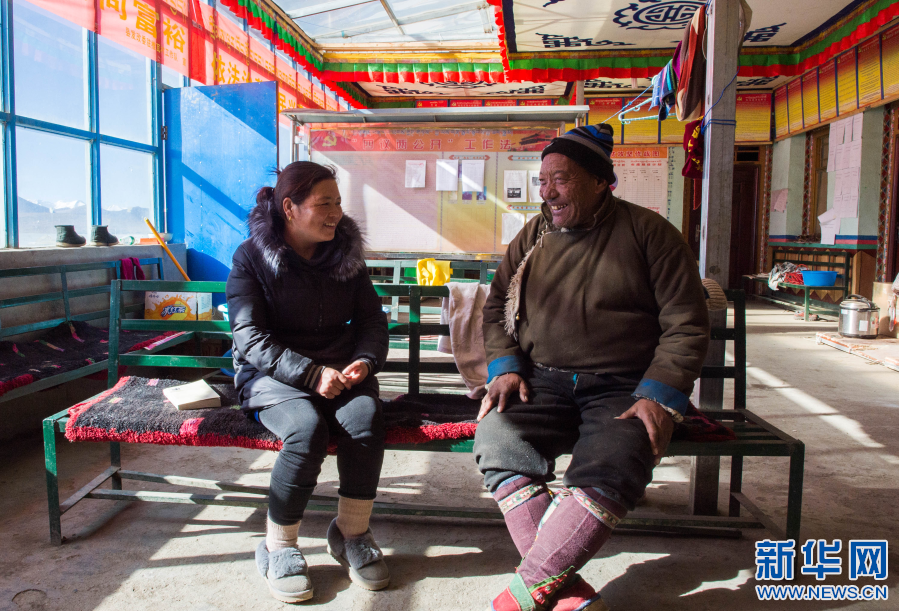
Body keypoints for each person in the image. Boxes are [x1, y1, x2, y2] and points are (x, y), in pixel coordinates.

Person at [474, 124, 710, 611]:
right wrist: (506, 367)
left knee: (619, 455)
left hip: (623, 387)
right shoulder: (534, 235)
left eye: (561, 180)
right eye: (543, 181)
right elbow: (496, 308)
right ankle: (565, 592)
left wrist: (658, 393)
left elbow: (686, 323)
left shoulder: (650, 234)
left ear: (601, 181)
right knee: (497, 439)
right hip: (541, 381)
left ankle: (525, 592)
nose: (548, 193)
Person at [226, 161, 390, 603]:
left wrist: (365, 361)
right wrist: (311, 374)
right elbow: (249, 337)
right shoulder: (251, 258)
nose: (336, 213)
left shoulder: (346, 255)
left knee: (366, 419)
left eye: (338, 202)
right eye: (324, 204)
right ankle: (277, 546)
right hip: (271, 375)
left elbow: (372, 321)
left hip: (339, 370)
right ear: (289, 208)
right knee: (306, 429)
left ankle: (351, 534)